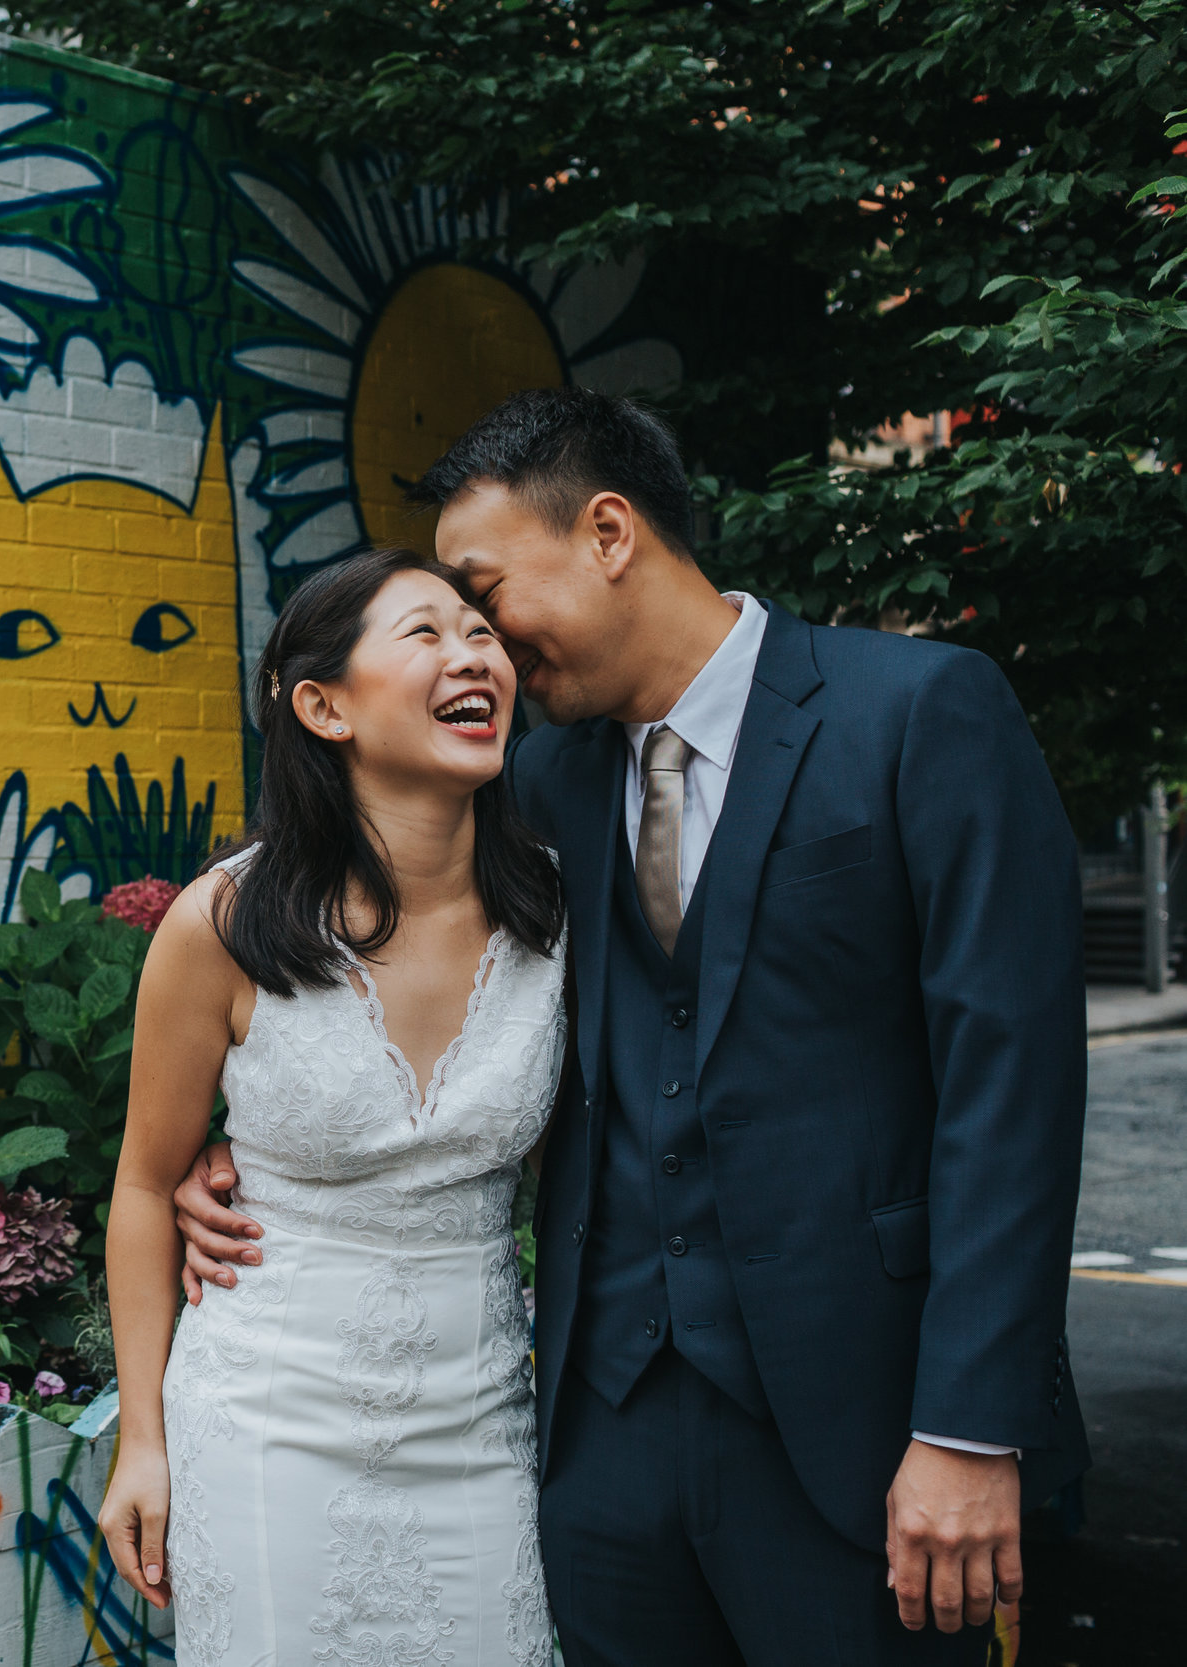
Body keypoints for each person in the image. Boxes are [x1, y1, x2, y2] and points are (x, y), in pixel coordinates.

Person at [171, 387, 1089, 1664]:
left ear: (607, 533)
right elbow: (390, 972)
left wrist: (969, 1426)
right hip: (596, 1447)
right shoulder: (534, 785)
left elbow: (1014, 1092)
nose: (480, 642)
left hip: (867, 1434)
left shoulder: (920, 712)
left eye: (484, 591)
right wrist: (261, 1148)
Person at [98, 545, 570, 1663]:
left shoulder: (561, 910)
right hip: (266, 1423)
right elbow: (139, 1185)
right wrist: (144, 1440)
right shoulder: (223, 922)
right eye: (426, 633)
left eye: (480, 631)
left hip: (481, 1429)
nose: (473, 655)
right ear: (322, 704)